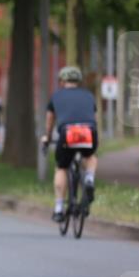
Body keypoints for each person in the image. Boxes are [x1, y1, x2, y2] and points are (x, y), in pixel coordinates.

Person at [40, 66, 98, 223]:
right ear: (79, 81)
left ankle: (59, 208)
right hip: (88, 131)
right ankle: (89, 179)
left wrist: (48, 137)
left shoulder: (56, 96)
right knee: (90, 156)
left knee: (62, 167)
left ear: (62, 81)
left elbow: (50, 120)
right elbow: (94, 117)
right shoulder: (89, 96)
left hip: (68, 133)